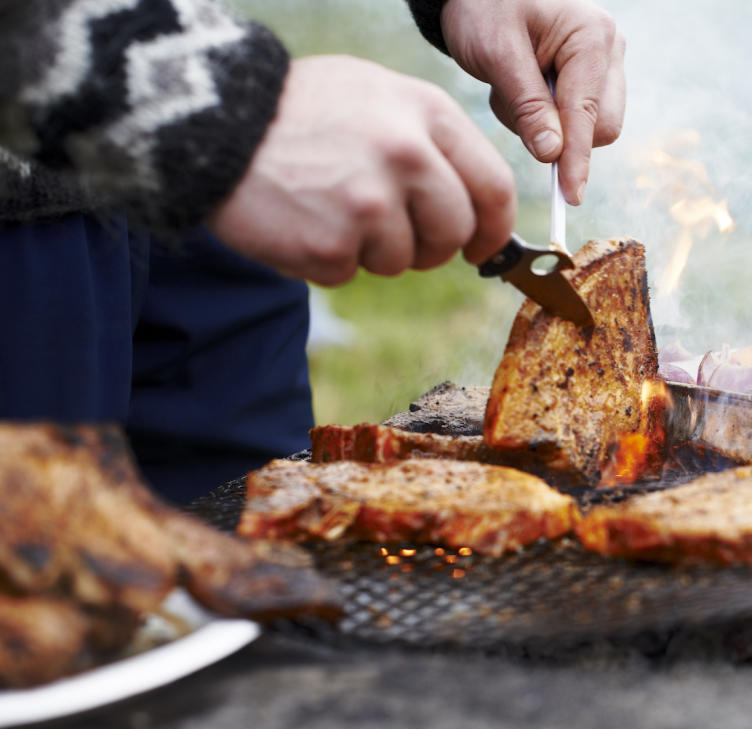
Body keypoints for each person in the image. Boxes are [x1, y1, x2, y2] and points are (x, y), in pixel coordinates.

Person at [0, 0, 626, 503]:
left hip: (216, 174)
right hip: (36, 202)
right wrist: (199, 113)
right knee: (42, 585)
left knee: (253, 555)